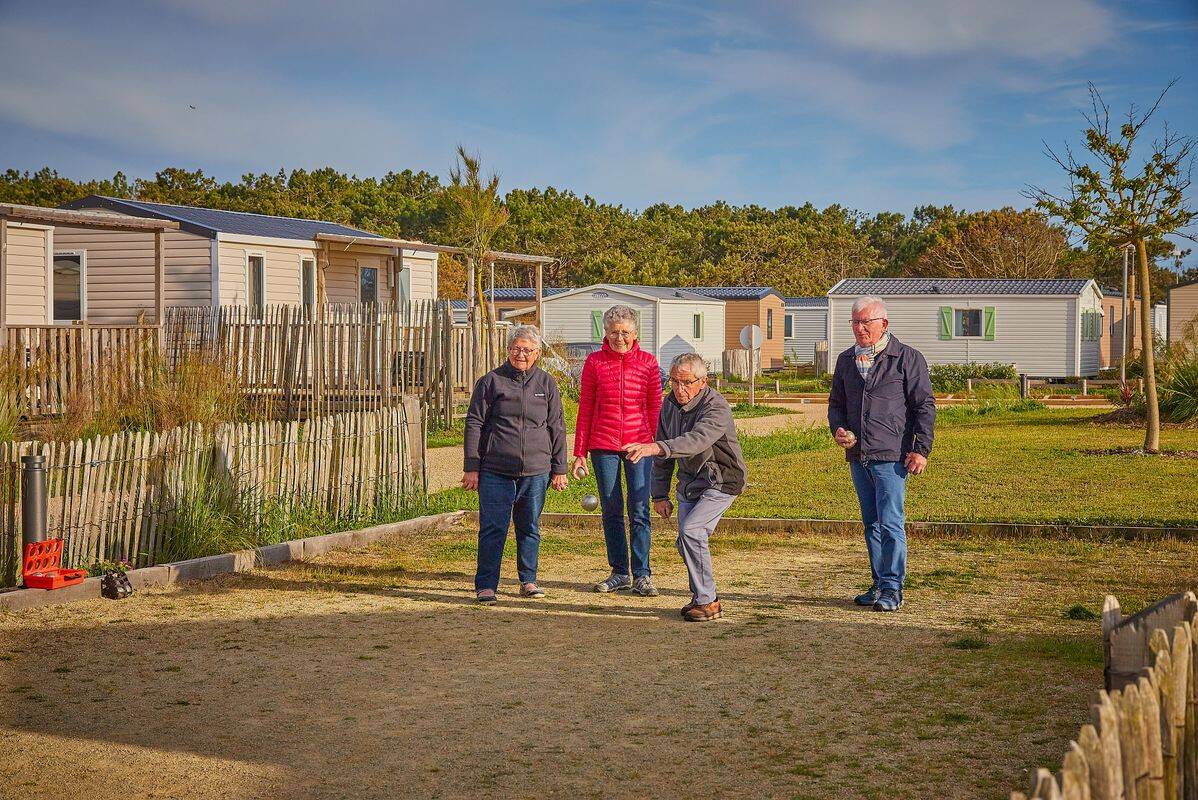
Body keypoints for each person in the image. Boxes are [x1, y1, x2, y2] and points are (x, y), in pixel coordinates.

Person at [828, 295, 935, 613]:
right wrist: (839, 429)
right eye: (855, 322)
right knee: (871, 524)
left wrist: (920, 449)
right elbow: (836, 404)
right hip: (859, 455)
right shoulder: (846, 360)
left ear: (883, 324)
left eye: (866, 322)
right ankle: (878, 584)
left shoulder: (906, 358)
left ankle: (893, 588)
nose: (859, 328)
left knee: (890, 523)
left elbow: (924, 406)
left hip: (892, 455)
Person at [624, 352, 747, 622]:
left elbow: (696, 440)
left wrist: (656, 447)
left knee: (692, 532)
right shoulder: (669, 406)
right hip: (691, 482)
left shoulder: (716, 406)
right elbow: (664, 459)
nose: (679, 389)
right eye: (674, 381)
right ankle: (702, 596)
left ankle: (707, 601)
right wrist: (659, 495)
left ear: (702, 381)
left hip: (722, 480)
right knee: (686, 541)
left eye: (686, 382)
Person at [462, 324, 569, 604]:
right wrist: (471, 466)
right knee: (493, 528)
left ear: (537, 353)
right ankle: (486, 585)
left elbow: (556, 426)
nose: (521, 354)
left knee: (529, 527)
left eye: (527, 350)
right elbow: (474, 423)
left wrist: (559, 468)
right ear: (508, 350)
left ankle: (528, 580)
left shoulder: (546, 383)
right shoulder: (491, 382)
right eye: (516, 349)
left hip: (536, 470)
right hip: (495, 470)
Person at [572, 305, 664, 596]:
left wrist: (657, 447)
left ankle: (642, 574)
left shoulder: (648, 363)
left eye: (625, 332)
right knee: (611, 509)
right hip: (603, 444)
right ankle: (620, 572)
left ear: (635, 333)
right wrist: (579, 452)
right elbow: (586, 407)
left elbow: (655, 407)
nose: (619, 338)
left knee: (639, 509)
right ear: (606, 333)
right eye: (614, 332)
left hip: (639, 444)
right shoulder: (594, 362)